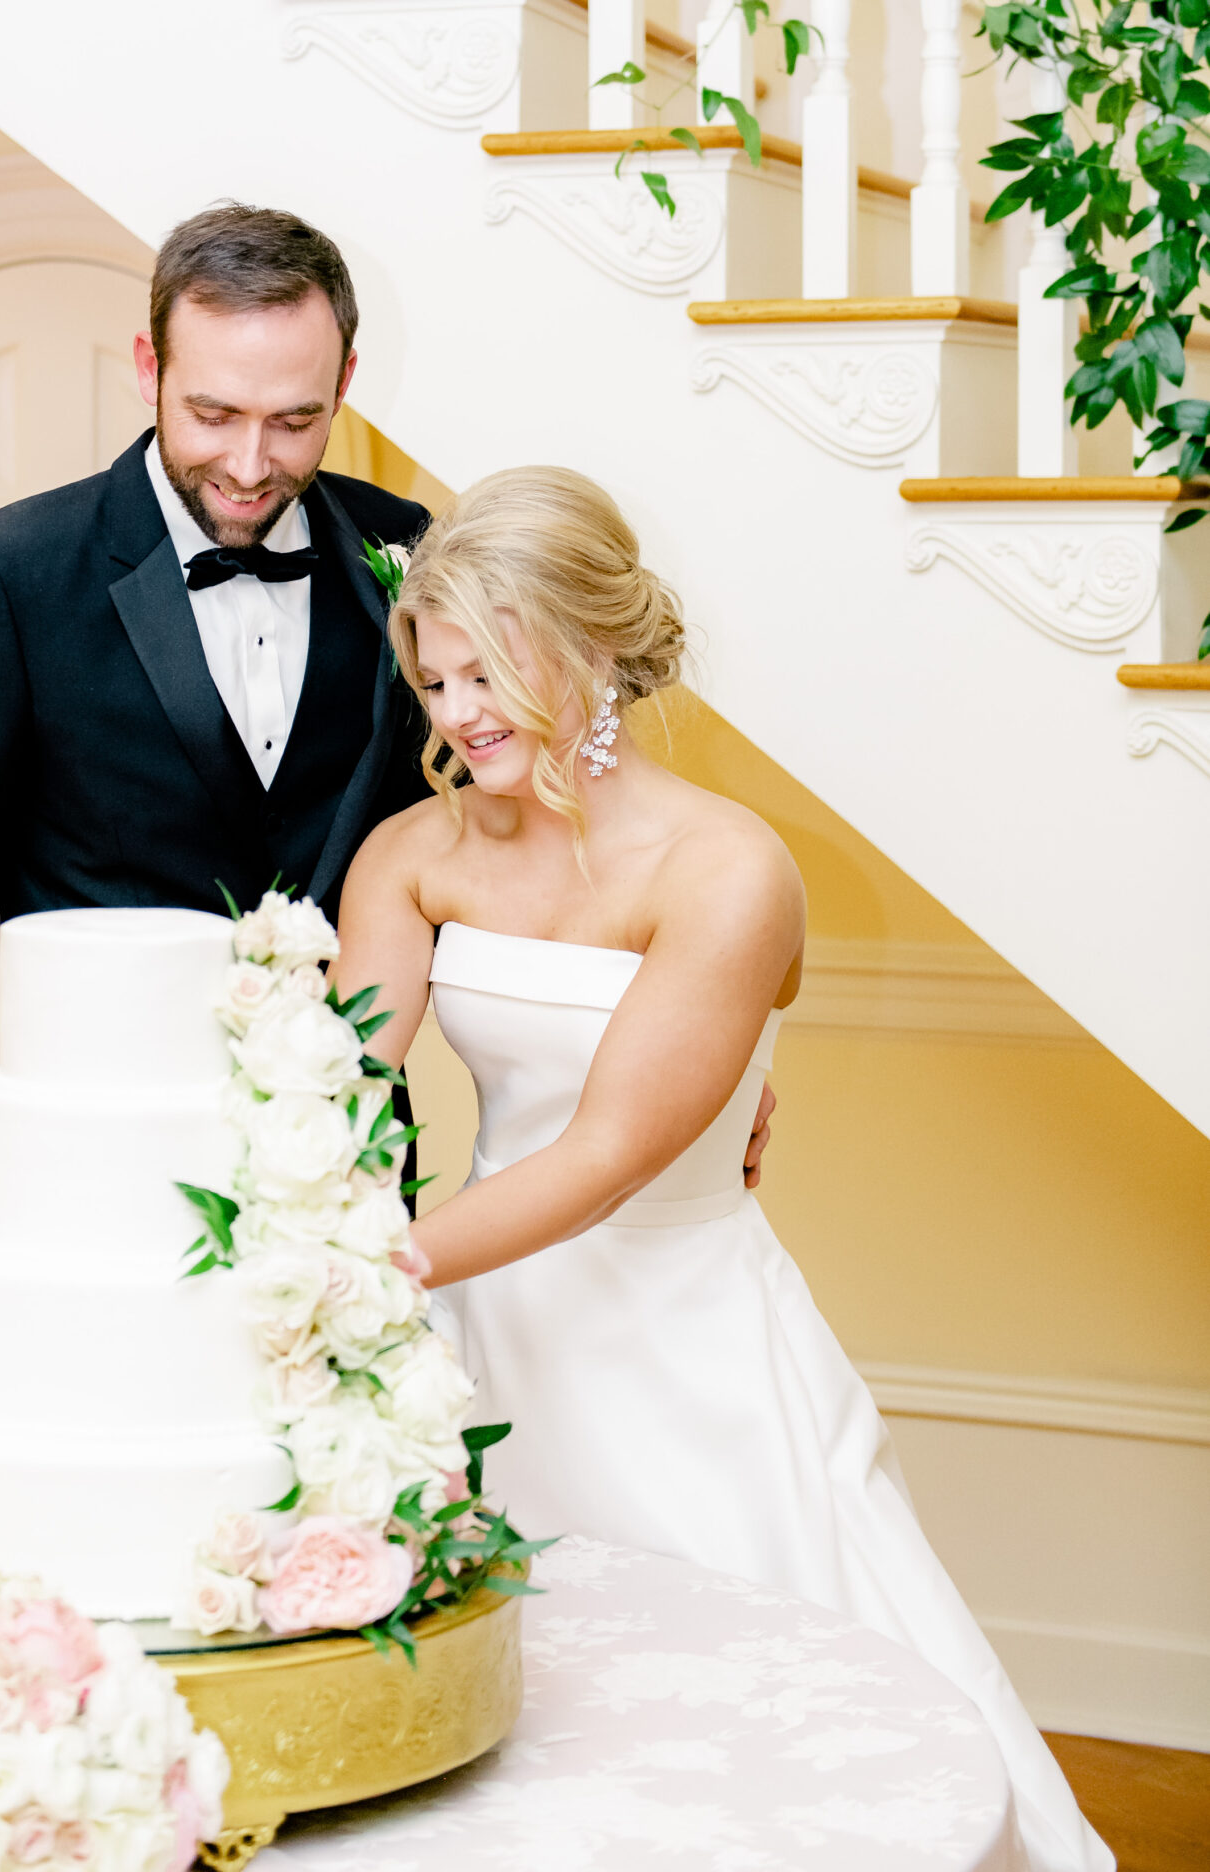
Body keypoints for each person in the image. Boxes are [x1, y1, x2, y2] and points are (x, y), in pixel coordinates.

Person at [337, 465, 1110, 1872]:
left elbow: (612, 1152)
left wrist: (359, 1276)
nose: (456, 717)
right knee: (521, 1736)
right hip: (483, 1320)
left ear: (591, 648)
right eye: (436, 683)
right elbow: (333, 1088)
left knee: (776, 1729)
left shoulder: (725, 867)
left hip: (678, 1335)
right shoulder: (409, 853)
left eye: (489, 674)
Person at [0, 204, 434, 1286]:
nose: (252, 463)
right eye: (213, 411)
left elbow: (497, 840)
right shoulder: (3, 578)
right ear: (148, 367)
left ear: (346, 382)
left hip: (339, 1186)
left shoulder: (407, 553)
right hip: (83, 1184)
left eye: (296, 419)